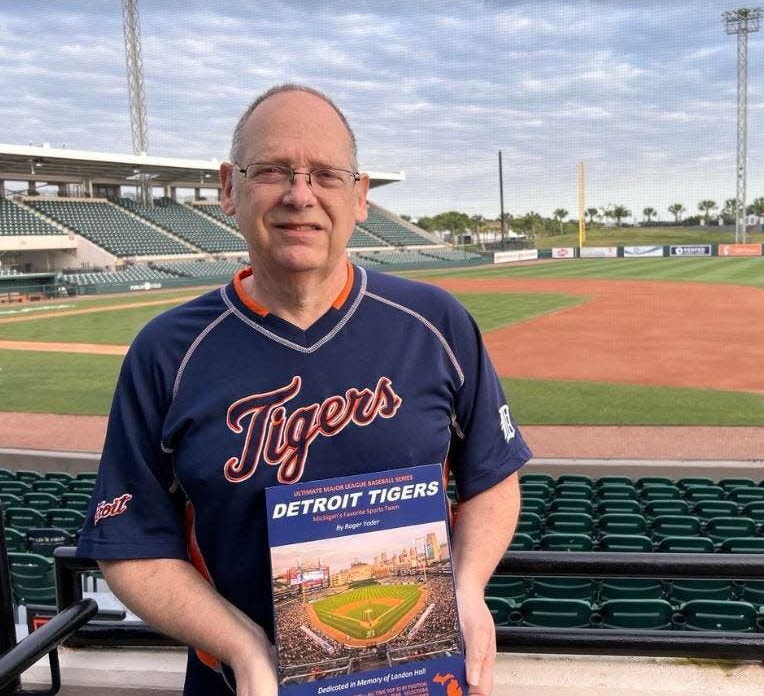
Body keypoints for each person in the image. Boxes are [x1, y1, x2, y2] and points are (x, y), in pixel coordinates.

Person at [76, 84, 531, 695]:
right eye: (271, 171)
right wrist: (243, 649)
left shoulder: (436, 323)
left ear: (360, 195)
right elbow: (130, 545)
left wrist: (468, 589)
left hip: (422, 678)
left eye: (325, 174)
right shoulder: (167, 352)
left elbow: (493, 479)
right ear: (229, 188)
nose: (300, 195)